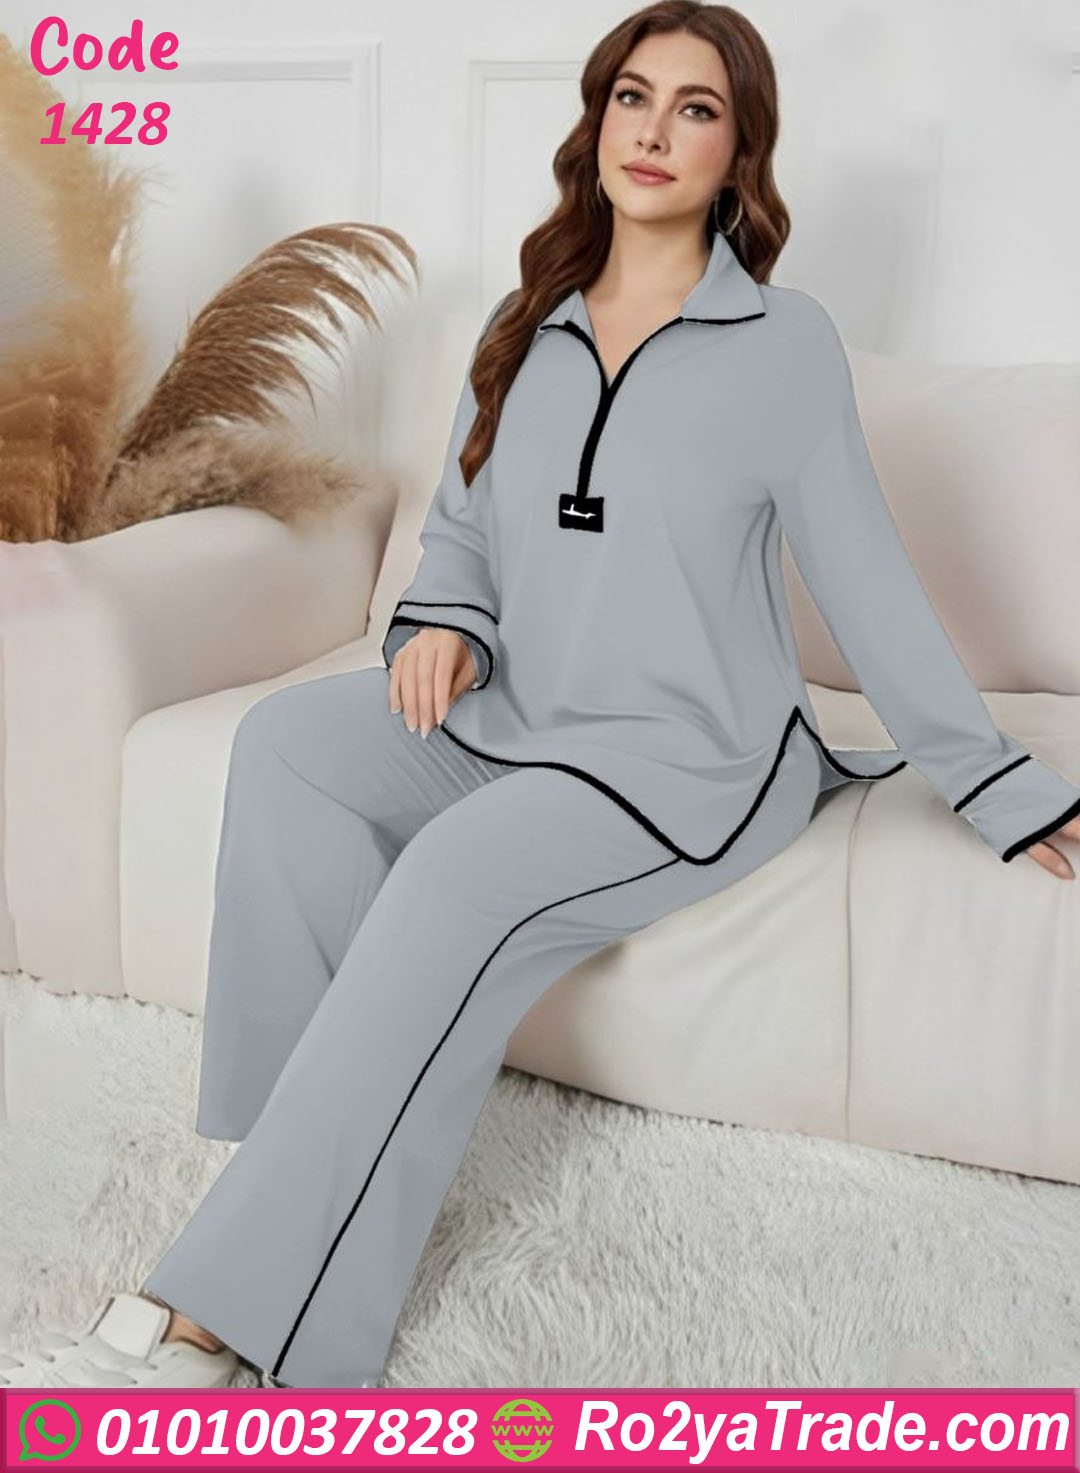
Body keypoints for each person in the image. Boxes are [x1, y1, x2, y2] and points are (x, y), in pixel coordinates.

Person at [4, 0, 1077, 1392]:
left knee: (453, 875)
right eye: (635, 96)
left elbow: (869, 585)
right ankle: (297, 1160)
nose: (656, 130)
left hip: (682, 762)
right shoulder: (527, 326)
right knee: (289, 747)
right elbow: (461, 532)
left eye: (697, 108)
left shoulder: (781, 345)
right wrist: (443, 623)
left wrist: (997, 781)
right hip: (517, 716)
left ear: (740, 152)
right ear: (597, 121)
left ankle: (236, 1310)